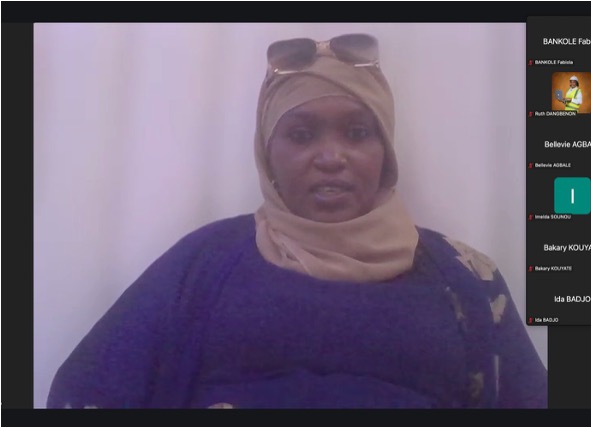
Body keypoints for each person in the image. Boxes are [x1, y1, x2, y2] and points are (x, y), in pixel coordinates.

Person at [47, 33, 547, 409]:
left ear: (386, 151)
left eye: (357, 132)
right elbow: (85, 390)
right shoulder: (207, 262)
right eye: (302, 135)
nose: (331, 158)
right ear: (269, 154)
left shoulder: (464, 278)